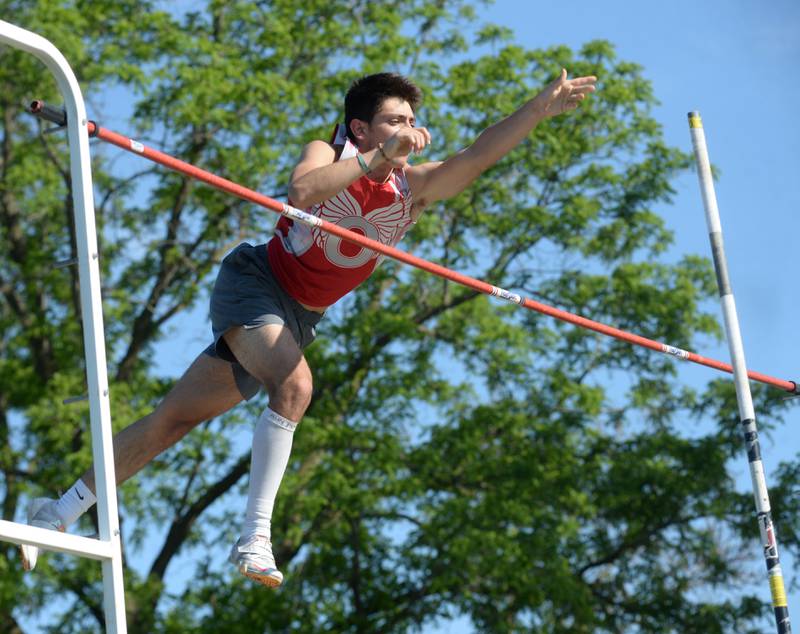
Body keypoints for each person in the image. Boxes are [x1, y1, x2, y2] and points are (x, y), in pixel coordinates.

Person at [21, 69, 597, 586]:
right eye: (395, 121)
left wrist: (538, 109)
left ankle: (56, 510)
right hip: (256, 285)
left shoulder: (411, 189)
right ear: (361, 129)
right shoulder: (328, 151)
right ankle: (254, 537)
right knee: (295, 387)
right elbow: (302, 192)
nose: (410, 130)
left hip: (298, 316)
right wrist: (376, 158)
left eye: (414, 122)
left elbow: (477, 154)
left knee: (173, 421)